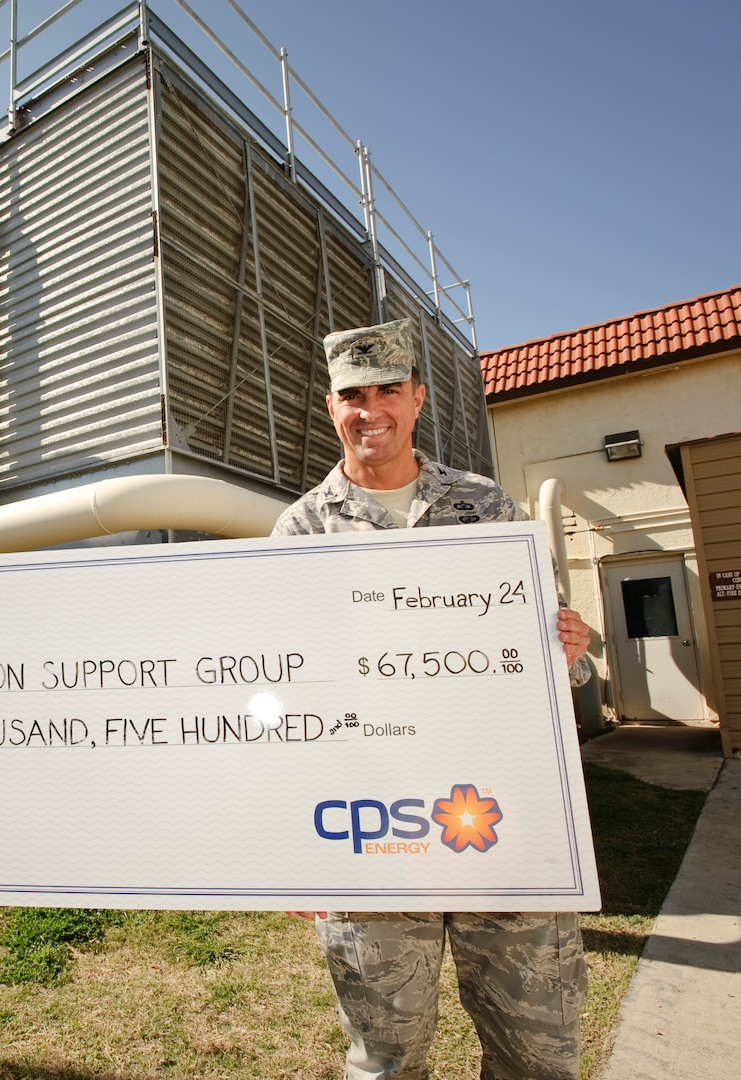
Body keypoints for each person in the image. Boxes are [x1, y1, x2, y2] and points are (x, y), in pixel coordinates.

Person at [274, 318, 593, 1080]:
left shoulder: (486, 510)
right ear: (330, 407)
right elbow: (286, 694)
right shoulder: (301, 530)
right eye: (353, 394)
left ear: (417, 399)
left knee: (536, 1054)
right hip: (370, 829)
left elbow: (553, 667)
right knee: (386, 1060)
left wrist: (569, 653)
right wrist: (291, 850)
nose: (370, 409)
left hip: (504, 818)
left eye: (388, 390)